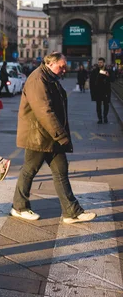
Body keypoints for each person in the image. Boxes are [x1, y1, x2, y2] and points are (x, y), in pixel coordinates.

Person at [11, 52, 96, 224]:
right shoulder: (38, 79)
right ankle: (19, 207)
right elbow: (44, 111)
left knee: (60, 170)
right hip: (39, 135)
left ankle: (71, 212)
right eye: (61, 66)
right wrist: (61, 135)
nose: (64, 70)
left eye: (65, 67)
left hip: (48, 136)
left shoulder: (48, 77)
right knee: (30, 169)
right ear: (50, 63)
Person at [89, 57, 114, 124]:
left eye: (101, 62)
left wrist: (108, 75)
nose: (100, 64)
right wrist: (92, 91)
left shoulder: (108, 71)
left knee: (106, 105)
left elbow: (113, 80)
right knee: (98, 106)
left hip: (106, 91)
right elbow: (91, 81)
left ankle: (105, 117)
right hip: (98, 91)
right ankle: (100, 118)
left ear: (104, 63)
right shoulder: (95, 71)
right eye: (99, 62)